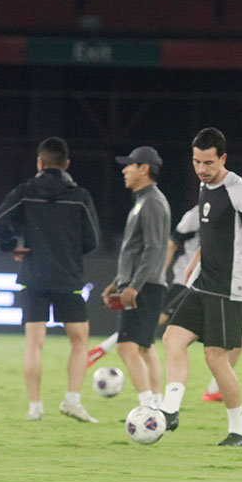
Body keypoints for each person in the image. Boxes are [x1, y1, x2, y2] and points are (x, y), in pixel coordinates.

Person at [160, 127, 242, 446]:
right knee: (172, 338)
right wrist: (198, 257)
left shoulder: (238, 189)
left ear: (222, 159)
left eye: (208, 163)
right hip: (204, 283)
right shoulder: (204, 185)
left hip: (230, 288)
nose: (201, 169)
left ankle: (238, 431)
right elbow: (214, 231)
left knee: (215, 357)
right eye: (197, 161)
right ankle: (169, 409)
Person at [0, 137, 101, 423]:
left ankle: (35, 407)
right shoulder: (80, 196)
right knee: (79, 341)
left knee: (34, 344)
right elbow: (92, 240)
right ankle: (72, 400)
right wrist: (68, 251)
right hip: (68, 277)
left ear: (39, 162)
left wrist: (10, 245)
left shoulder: (26, 192)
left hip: (34, 276)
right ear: (66, 164)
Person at [100, 146, 171, 412]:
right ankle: (157, 405)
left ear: (144, 168)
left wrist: (134, 286)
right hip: (146, 284)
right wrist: (119, 282)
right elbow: (139, 249)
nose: (124, 169)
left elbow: (153, 249)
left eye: (129, 164)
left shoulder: (151, 202)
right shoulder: (146, 200)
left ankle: (147, 409)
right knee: (143, 347)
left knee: (127, 348)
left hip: (146, 286)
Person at [160, 203, 242, 403]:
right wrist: (160, 273)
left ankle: (214, 389)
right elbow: (173, 243)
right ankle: (129, 345)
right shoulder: (195, 215)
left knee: (240, 339)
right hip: (186, 282)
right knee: (162, 323)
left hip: (213, 285)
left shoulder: (236, 215)